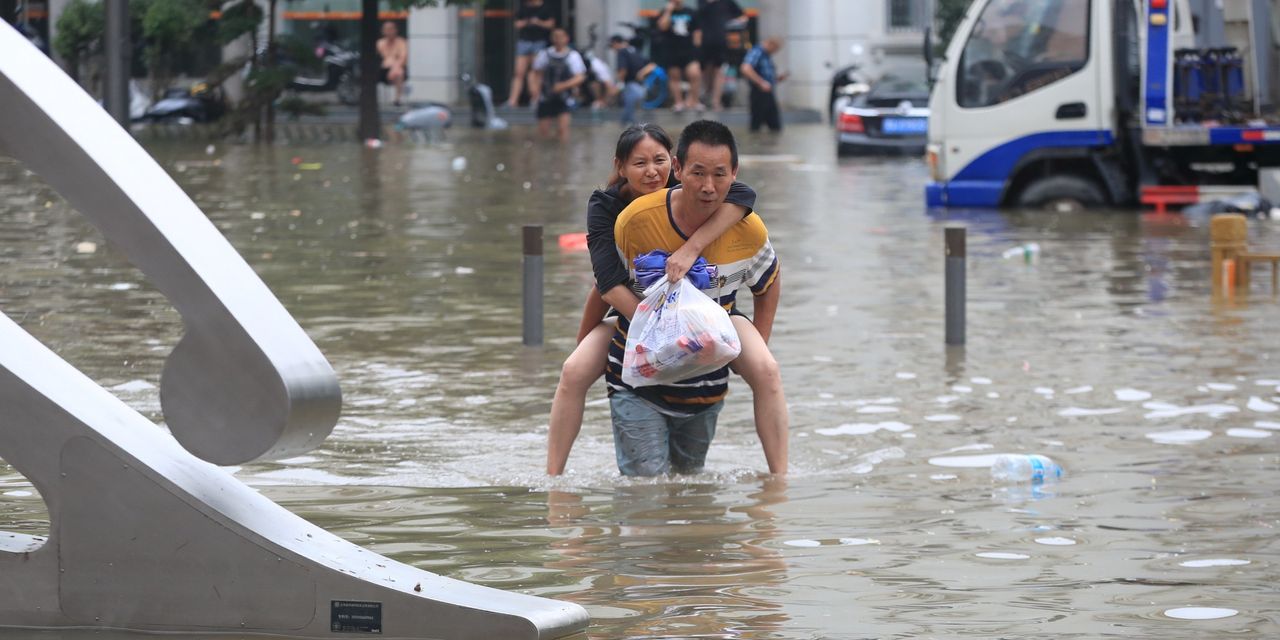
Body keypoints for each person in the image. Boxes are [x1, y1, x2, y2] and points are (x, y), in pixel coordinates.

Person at [546, 122, 787, 477]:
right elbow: (605, 284)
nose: (651, 172)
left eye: (658, 160)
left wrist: (692, 248)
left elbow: (744, 198)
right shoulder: (615, 211)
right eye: (639, 163)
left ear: (671, 164)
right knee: (573, 370)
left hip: (713, 312)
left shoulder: (703, 193)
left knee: (766, 369)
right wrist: (657, 325)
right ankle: (554, 478)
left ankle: (779, 480)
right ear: (621, 168)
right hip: (634, 310)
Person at [530, 28, 587, 142]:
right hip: (545, 96)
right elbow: (535, 73)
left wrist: (564, 85)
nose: (558, 39)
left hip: (564, 98)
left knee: (563, 131)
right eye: (555, 36)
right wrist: (533, 89)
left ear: (567, 38)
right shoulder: (544, 54)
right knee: (543, 132)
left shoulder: (573, 56)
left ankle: (562, 155)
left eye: (561, 36)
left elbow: (580, 77)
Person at [693, 0, 746, 112]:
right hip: (705, 42)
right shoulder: (701, 2)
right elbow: (697, 20)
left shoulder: (727, 2)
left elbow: (743, 17)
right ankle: (705, 95)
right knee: (704, 69)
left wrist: (731, 24)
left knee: (719, 70)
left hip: (721, 41)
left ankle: (716, 101)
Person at [506, 0, 556, 107]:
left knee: (535, 71)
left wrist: (538, 22)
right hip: (524, 41)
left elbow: (551, 24)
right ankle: (513, 100)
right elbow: (517, 24)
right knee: (519, 72)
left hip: (539, 41)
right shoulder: (524, 7)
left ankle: (535, 98)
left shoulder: (546, 7)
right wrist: (527, 22)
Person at [657, 0, 703, 111]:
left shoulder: (690, 12)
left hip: (689, 49)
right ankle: (679, 102)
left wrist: (697, 48)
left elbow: (697, 31)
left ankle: (694, 101)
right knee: (674, 76)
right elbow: (662, 27)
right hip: (671, 49)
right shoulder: (664, 11)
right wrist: (668, 11)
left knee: (694, 74)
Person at [739, 37, 787, 132]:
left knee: (775, 126)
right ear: (770, 44)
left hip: (768, 94)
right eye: (775, 49)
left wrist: (777, 79)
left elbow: (767, 78)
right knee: (756, 125)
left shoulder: (766, 56)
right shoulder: (757, 52)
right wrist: (761, 83)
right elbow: (745, 68)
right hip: (759, 93)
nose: (775, 52)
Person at [609, 34, 658, 124]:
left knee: (629, 118)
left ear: (615, 43)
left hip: (631, 86)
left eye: (611, 46)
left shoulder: (622, 52)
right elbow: (652, 65)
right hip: (641, 87)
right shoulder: (635, 50)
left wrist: (619, 84)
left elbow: (623, 70)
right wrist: (642, 73)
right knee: (634, 117)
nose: (612, 50)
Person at [376, 22, 408, 106]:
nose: (389, 32)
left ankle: (397, 99)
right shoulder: (380, 43)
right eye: (386, 30)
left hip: (397, 69)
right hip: (382, 70)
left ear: (395, 30)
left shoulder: (401, 42)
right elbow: (378, 58)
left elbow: (403, 58)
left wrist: (394, 69)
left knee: (399, 72)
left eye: (391, 29)